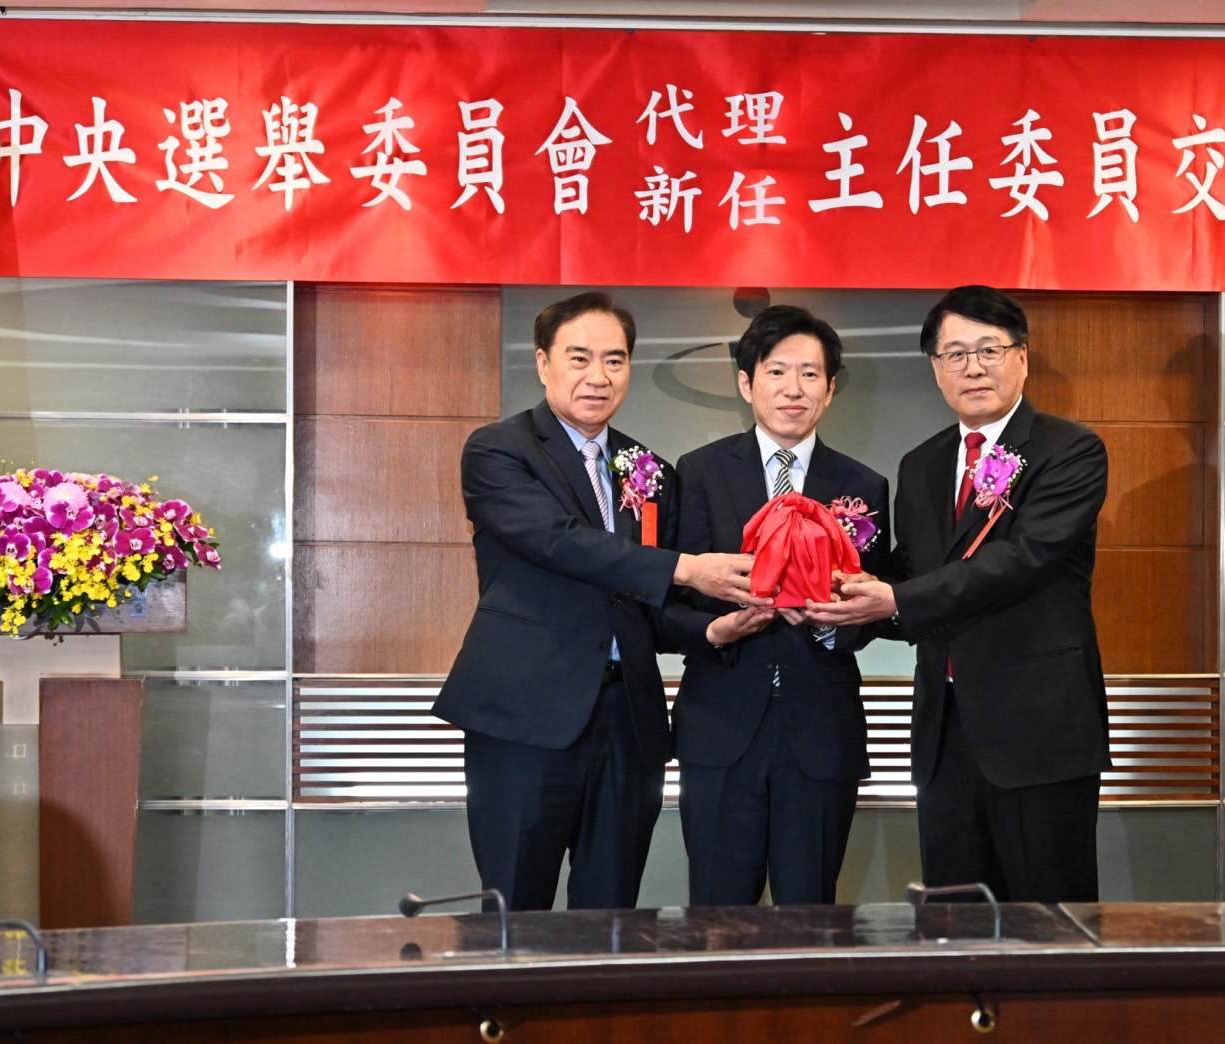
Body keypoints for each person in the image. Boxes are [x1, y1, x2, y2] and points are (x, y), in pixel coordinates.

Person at [434, 291, 773, 912]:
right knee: (514, 911)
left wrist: (709, 633)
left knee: (611, 912)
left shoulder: (649, 470)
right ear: (543, 363)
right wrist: (686, 567)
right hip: (526, 715)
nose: (598, 376)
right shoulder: (499, 450)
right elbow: (559, 542)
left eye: (615, 360)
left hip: (629, 720)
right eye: (579, 358)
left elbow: (647, 602)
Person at [805, 285, 1110, 903]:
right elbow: (912, 573)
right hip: (944, 735)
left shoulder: (1069, 450)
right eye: (955, 354)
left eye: (989, 350)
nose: (973, 367)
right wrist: (844, 591)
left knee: (1049, 919)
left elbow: (1020, 561)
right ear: (935, 367)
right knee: (952, 916)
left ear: (1022, 357)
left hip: (1038, 730)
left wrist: (896, 599)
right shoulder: (922, 464)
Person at [672, 305, 890, 906]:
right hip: (720, 727)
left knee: (812, 913)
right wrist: (717, 629)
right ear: (747, 383)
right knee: (717, 917)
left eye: (810, 374)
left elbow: (872, 607)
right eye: (776, 372)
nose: (793, 388)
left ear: (830, 389)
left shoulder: (863, 486)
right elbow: (674, 597)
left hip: (820, 730)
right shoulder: (699, 472)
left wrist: (832, 625)